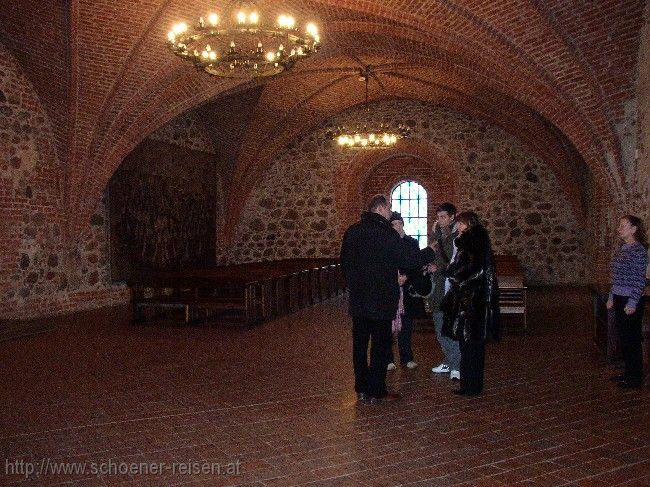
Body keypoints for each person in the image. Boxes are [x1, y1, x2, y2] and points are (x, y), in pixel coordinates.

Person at [340, 195, 435, 404]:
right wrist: (430, 251)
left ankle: (361, 389)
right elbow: (408, 260)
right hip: (382, 300)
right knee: (380, 346)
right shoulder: (386, 232)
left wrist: (357, 284)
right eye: (389, 209)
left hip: (359, 300)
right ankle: (377, 389)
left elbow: (344, 264)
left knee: (359, 346)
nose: (391, 212)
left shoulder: (352, 231)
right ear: (381, 209)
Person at [441, 211, 500, 396]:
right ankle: (469, 384)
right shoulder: (472, 242)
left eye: (460, 223)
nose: (457, 227)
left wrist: (456, 277)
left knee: (471, 346)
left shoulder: (473, 243)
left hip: (472, 303)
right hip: (470, 302)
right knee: (469, 346)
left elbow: (473, 272)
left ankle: (471, 386)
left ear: (468, 224)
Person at [606, 215, 648, 389]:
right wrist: (611, 296)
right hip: (619, 297)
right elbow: (617, 277)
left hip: (632, 299)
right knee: (624, 338)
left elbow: (640, 280)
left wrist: (632, 303)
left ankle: (635, 378)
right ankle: (628, 372)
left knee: (631, 339)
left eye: (623, 225)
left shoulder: (639, 251)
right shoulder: (623, 248)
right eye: (620, 225)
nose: (619, 228)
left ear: (634, 229)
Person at [387, 212, 429, 370]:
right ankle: (388, 358)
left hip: (407, 290)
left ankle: (406, 357)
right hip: (390, 288)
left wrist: (407, 276)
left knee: (406, 325)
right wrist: (393, 277)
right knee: (388, 326)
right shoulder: (386, 243)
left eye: (399, 223)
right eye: (394, 224)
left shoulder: (411, 242)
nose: (397, 226)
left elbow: (416, 264)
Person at [427, 203, 461, 381]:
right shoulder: (436, 234)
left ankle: (457, 365)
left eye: (443, 217)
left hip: (450, 287)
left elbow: (456, 263)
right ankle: (449, 361)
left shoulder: (458, 237)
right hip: (438, 288)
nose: (440, 221)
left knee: (448, 328)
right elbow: (432, 254)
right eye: (438, 217)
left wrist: (437, 267)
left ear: (452, 217)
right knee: (440, 329)